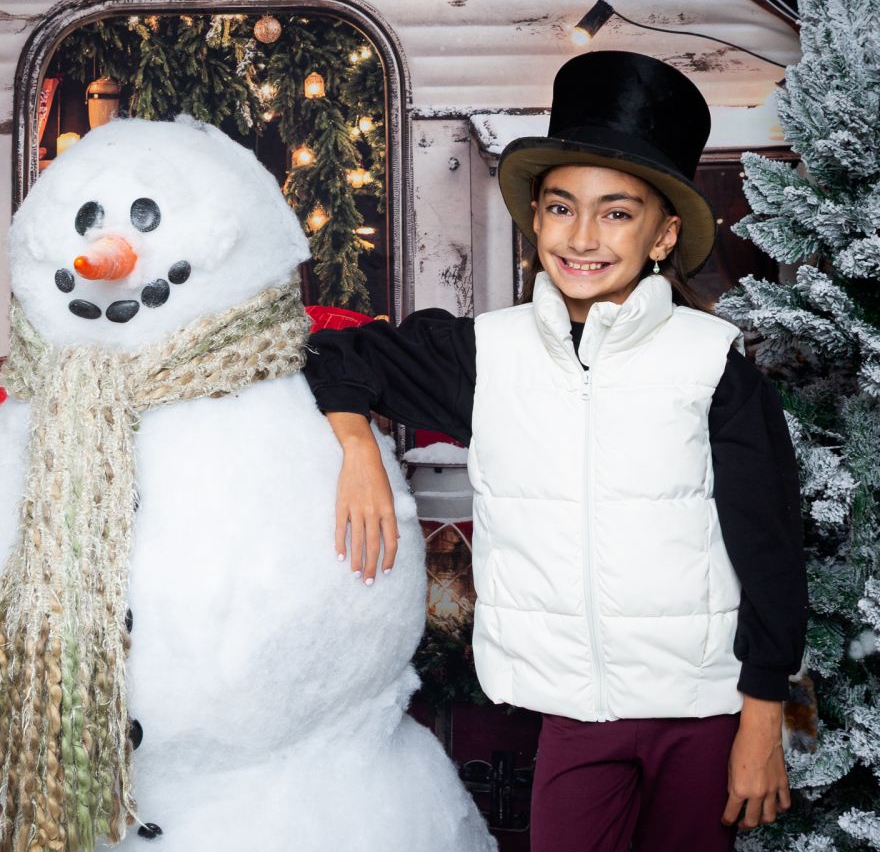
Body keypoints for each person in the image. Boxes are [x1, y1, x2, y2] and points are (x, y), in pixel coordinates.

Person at [301, 50, 807, 852]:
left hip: (705, 714)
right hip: (573, 713)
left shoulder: (713, 364)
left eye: (616, 213)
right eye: (562, 208)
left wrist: (762, 715)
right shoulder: (485, 355)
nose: (583, 237)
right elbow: (331, 357)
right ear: (535, 219)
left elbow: (770, 546)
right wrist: (357, 445)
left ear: (664, 233)